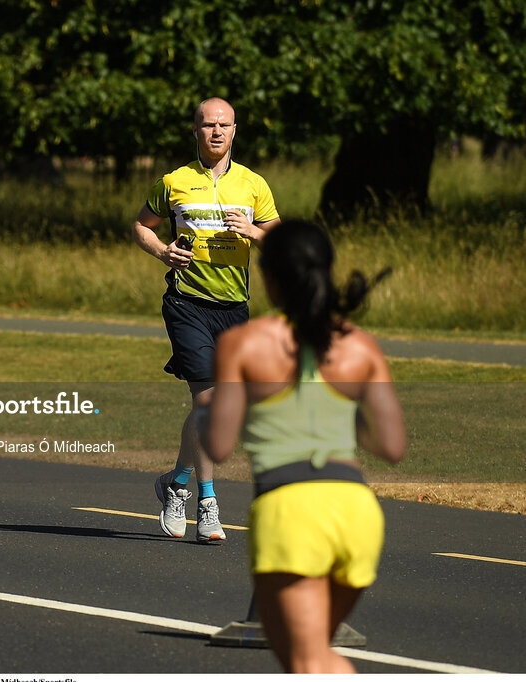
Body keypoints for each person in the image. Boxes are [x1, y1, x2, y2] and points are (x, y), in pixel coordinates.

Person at [200, 219, 405, 673]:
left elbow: (217, 444)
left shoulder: (244, 342)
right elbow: (392, 446)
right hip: (357, 512)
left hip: (289, 510)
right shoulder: (360, 346)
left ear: (270, 279)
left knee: (307, 663)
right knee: (318, 660)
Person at [132, 96, 281, 543]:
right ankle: (207, 501)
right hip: (186, 302)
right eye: (207, 125)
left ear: (235, 131)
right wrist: (162, 250)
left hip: (234, 308)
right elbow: (141, 225)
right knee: (209, 403)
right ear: (195, 131)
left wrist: (253, 231)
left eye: (224, 125)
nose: (216, 132)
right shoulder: (175, 181)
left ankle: (175, 481)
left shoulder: (254, 185)